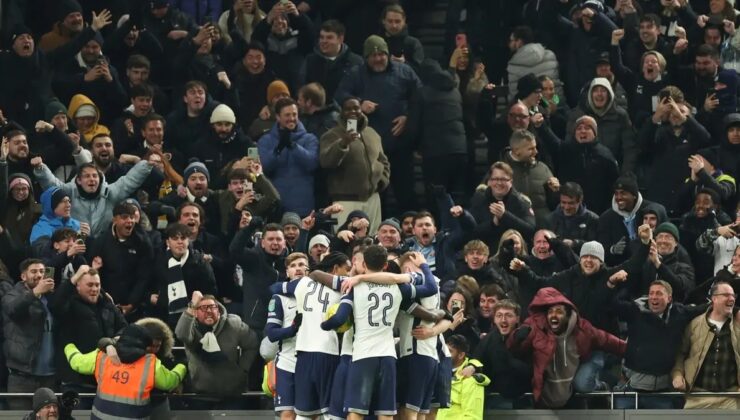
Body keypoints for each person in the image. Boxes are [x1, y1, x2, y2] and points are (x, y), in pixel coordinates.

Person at [321, 246, 438, 419]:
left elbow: (339, 319)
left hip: (363, 355)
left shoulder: (354, 286)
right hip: (388, 356)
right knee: (386, 414)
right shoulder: (400, 287)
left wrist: (324, 325)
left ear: (364, 264)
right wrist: (424, 266)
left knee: (356, 412)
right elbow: (430, 287)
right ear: (385, 265)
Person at [335, 34, 422, 215]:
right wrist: (359, 103)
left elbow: (419, 98)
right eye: (373, 56)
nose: (378, 59)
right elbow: (340, 96)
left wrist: (408, 117)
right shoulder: (355, 73)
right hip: (370, 149)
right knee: (376, 195)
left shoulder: (404, 71)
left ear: (387, 54)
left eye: (381, 54)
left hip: (399, 144)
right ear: (366, 57)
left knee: (405, 193)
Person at [508, 287, 627, 408]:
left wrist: (630, 350)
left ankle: (600, 387)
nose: (553, 315)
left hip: (577, 376)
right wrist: (516, 337)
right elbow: (514, 349)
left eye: (559, 311)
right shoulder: (535, 328)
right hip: (549, 389)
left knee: (582, 384)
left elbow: (606, 339)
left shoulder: (582, 328)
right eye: (550, 312)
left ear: (568, 314)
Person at [613, 280, 706, 409]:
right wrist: (615, 284)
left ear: (669, 298)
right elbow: (611, 304)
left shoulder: (680, 312)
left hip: (662, 393)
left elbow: (705, 308)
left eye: (659, 293)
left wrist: (733, 309)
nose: (654, 297)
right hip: (630, 390)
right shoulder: (634, 310)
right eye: (651, 293)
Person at [64, 324, 187, 418]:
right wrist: (182, 366)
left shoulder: (102, 356)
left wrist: (68, 345)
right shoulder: (150, 363)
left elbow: (76, 362)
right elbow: (170, 382)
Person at [49, 265, 126, 404]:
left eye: (97, 285)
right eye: (90, 285)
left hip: (105, 379)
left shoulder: (107, 303)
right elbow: (55, 305)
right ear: (77, 286)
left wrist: (114, 341)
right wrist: (73, 279)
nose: (95, 289)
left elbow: (124, 327)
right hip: (75, 382)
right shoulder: (69, 305)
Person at [175, 291, 259, 408]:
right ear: (196, 312)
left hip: (232, 394)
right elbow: (181, 334)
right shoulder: (190, 327)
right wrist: (192, 305)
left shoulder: (233, 323)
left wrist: (242, 369)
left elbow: (252, 344)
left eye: (212, 307)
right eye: (203, 308)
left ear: (218, 311)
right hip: (200, 394)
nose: (209, 311)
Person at [320, 96, 390, 230]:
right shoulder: (331, 135)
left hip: (373, 199)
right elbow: (326, 162)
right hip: (345, 201)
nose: (353, 112)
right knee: (345, 241)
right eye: (348, 109)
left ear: (361, 110)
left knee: (372, 241)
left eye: (356, 108)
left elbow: (383, 161)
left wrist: (381, 181)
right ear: (342, 112)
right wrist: (343, 143)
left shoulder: (372, 133)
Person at [672, 281, 740, 408]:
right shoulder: (694, 325)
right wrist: (677, 374)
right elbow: (681, 354)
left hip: (729, 397)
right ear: (714, 299)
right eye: (726, 295)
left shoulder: (738, 325)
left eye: (733, 295)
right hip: (697, 397)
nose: (731, 298)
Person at [2, 259, 57, 410]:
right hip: (22, 376)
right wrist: (35, 292)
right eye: (34, 271)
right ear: (23, 276)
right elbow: (13, 309)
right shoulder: (12, 294)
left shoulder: (51, 298)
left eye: (41, 271)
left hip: (50, 376)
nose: (39, 275)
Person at [88, 202, 155, 320]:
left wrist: (132, 303)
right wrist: (106, 300)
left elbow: (144, 276)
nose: (129, 221)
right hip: (106, 305)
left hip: (135, 307)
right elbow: (93, 274)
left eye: (132, 217)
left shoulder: (143, 242)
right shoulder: (101, 242)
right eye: (125, 217)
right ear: (115, 219)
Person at [257, 97, 319, 216]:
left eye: (294, 114)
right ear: (278, 117)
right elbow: (262, 167)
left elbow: (312, 163)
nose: (291, 118)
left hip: (302, 206)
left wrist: (293, 146)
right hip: (275, 206)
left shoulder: (309, 139)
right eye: (287, 115)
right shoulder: (266, 140)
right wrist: (278, 149)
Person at [230, 223, 287, 332]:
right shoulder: (253, 258)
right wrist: (250, 227)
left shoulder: (289, 264)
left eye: (278, 239)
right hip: (256, 326)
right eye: (270, 239)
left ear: (284, 243)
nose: (275, 242)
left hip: (282, 325)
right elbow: (235, 250)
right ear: (263, 243)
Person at [474, 300, 531, 409]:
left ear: (517, 319)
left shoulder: (527, 337)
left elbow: (531, 371)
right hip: (495, 399)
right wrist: (472, 367)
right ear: (494, 319)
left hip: (524, 398)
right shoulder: (488, 340)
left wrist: (509, 360)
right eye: (499, 315)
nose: (503, 320)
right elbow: (477, 360)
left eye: (508, 315)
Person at [469, 161, 536, 250]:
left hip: (515, 252)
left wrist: (505, 215)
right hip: (485, 252)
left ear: (511, 182)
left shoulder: (521, 201)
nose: (499, 183)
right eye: (495, 179)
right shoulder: (479, 199)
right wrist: (493, 223)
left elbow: (530, 230)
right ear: (489, 181)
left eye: (503, 179)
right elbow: (472, 232)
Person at [304, 19, 363, 100]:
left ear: (340, 39)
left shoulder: (356, 62)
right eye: (321, 37)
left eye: (329, 37)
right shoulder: (310, 61)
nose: (324, 41)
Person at [437, 335, 490, 420]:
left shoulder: (471, 380)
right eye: (443, 351)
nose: (444, 355)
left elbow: (472, 417)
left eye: (450, 352)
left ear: (461, 355)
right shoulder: (438, 375)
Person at [544, 182, 599, 254]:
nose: (566, 207)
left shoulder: (592, 219)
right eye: (563, 202)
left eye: (571, 203)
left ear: (580, 200)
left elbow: (597, 246)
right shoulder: (549, 220)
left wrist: (575, 244)